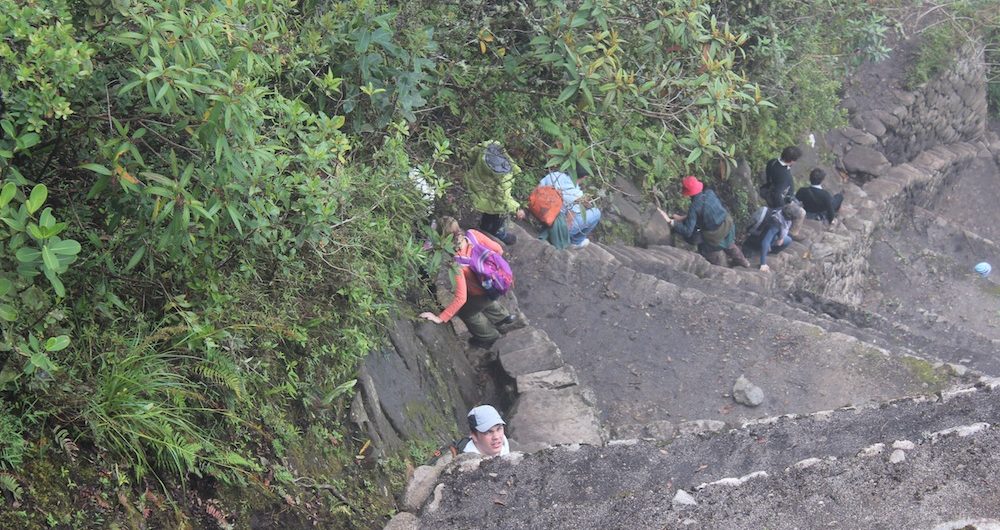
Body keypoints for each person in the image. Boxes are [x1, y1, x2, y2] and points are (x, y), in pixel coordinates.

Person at [419, 217, 516, 348]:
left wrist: (440, 318)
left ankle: (489, 337)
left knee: (467, 312)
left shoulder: (457, 262)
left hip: (481, 293)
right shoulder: (472, 235)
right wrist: (487, 269)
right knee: (479, 301)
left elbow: (461, 298)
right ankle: (502, 318)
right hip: (497, 284)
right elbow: (499, 249)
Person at [663, 176, 750, 268]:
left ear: (688, 193)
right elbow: (706, 211)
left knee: (705, 248)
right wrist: (682, 218)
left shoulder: (695, 207)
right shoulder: (709, 193)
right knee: (729, 244)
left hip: (715, 233)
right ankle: (744, 262)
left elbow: (688, 231)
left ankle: (719, 268)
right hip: (727, 223)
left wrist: (671, 222)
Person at [465, 141, 526, 245]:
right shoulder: (505, 174)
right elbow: (503, 197)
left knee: (488, 207)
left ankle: (484, 227)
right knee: (498, 210)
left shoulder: (490, 144)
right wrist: (516, 208)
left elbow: (472, 153)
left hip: (474, 184)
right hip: (489, 197)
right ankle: (497, 232)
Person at [538, 169, 602, 249]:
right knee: (596, 213)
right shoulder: (577, 195)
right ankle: (575, 242)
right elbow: (569, 223)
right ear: (584, 177)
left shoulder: (555, 175)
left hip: (541, 216)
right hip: (556, 227)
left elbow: (538, 190)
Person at [761, 146, 806, 239]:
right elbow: (777, 194)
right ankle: (792, 233)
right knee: (801, 212)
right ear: (792, 161)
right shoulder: (784, 174)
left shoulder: (772, 162)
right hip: (779, 199)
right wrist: (782, 209)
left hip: (767, 189)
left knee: (797, 203)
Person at [744, 207, 792, 273]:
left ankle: (765, 251)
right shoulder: (776, 223)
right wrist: (763, 264)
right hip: (757, 239)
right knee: (787, 240)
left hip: (760, 235)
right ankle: (763, 252)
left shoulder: (779, 211)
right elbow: (765, 242)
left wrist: (781, 238)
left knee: (788, 240)